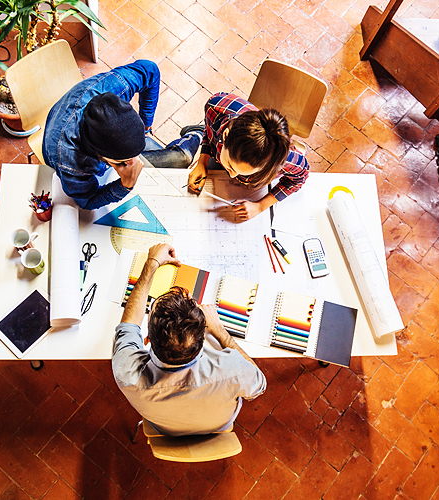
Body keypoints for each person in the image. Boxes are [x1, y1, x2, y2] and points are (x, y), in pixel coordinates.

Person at [112, 243, 266, 436]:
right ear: (201, 337)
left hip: (165, 430)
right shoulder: (233, 369)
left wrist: (152, 263)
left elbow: (129, 324)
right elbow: (260, 386)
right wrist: (219, 331)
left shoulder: (127, 373)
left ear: (147, 338)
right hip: (218, 426)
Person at [42, 60, 203, 210]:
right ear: (102, 156)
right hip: (61, 150)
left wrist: (145, 124)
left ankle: (195, 134)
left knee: (181, 159)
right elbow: (88, 201)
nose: (136, 163)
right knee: (178, 161)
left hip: (81, 125)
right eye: (123, 162)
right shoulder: (71, 163)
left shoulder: (114, 88)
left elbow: (150, 70)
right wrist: (126, 184)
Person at [187, 92, 310, 221]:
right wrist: (203, 161)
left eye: (244, 173)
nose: (232, 175)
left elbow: (299, 178)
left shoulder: (284, 160)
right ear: (225, 135)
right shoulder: (216, 107)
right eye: (230, 165)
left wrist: (260, 206)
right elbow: (209, 131)